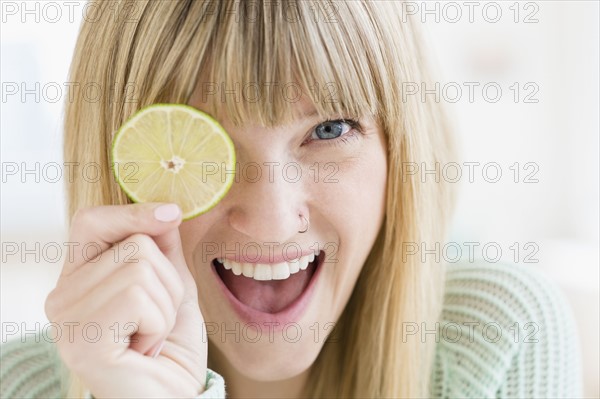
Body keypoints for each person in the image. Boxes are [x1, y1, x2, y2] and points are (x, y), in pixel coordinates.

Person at [0, 1, 582, 398]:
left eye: (329, 130)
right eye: (204, 144)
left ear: (400, 152)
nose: (272, 222)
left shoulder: (497, 337)